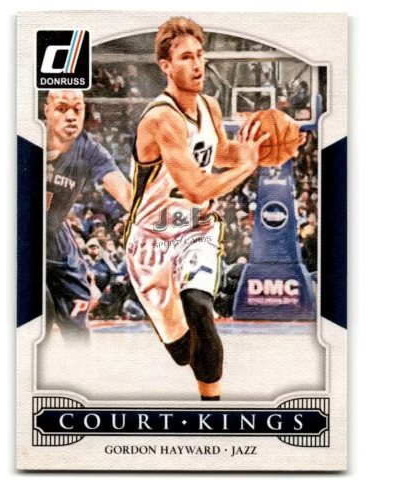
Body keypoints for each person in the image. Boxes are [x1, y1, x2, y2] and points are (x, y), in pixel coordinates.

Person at [124, 17, 272, 401]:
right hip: (151, 238)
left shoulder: (209, 106)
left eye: (200, 55)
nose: (197, 65)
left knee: (199, 306)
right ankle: (184, 347)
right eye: (186, 57)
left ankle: (213, 411)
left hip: (196, 226)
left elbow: (218, 153)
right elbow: (195, 188)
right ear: (165, 65)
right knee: (182, 352)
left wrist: (256, 149)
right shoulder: (162, 119)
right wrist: (246, 167)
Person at [45, 89, 132, 344]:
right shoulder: (25, 137)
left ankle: (78, 366)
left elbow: (126, 194)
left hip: (56, 237)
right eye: (62, 109)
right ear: (46, 111)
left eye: (78, 109)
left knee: (77, 322)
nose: (71, 116)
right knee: (40, 314)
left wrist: (166, 214)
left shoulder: (90, 150)